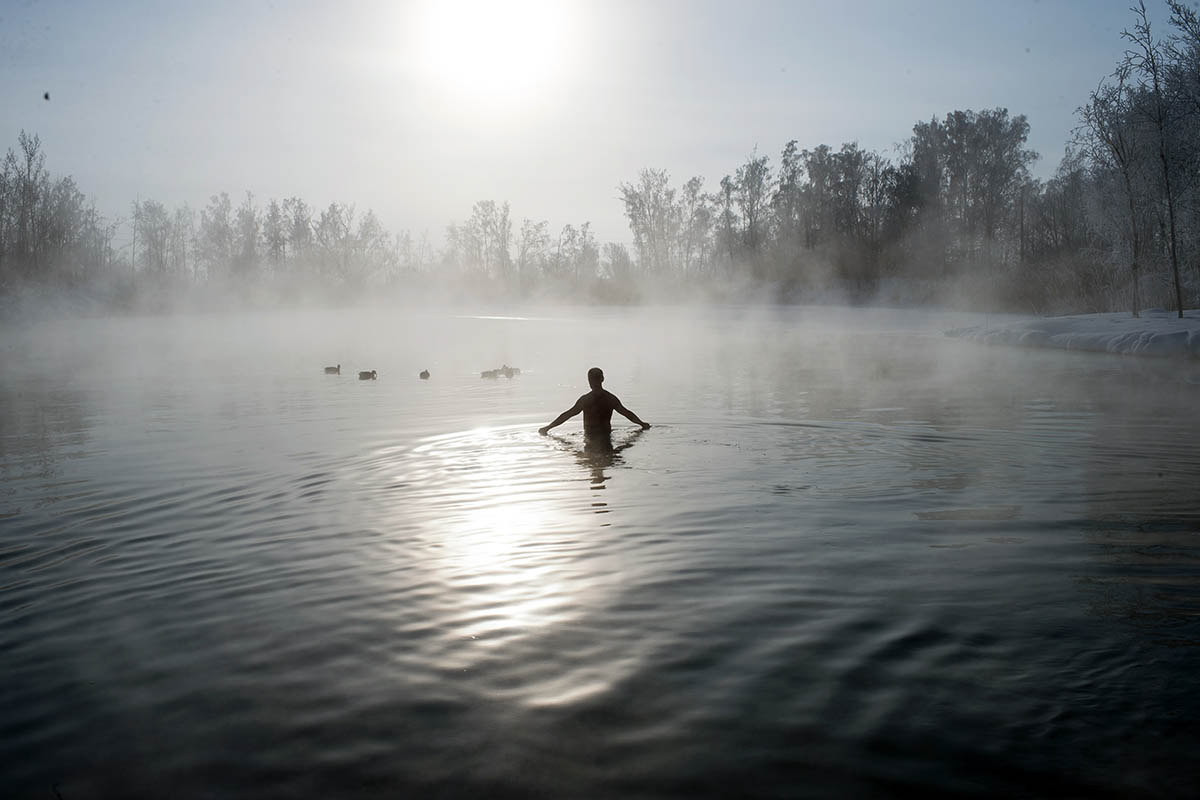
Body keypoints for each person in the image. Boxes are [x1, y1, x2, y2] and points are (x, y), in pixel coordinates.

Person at [539, 367, 651, 435]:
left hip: (590, 436)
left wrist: (548, 428)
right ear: (602, 379)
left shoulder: (585, 400)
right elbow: (627, 413)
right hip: (606, 436)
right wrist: (642, 424)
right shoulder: (610, 398)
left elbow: (567, 415)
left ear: (589, 380)